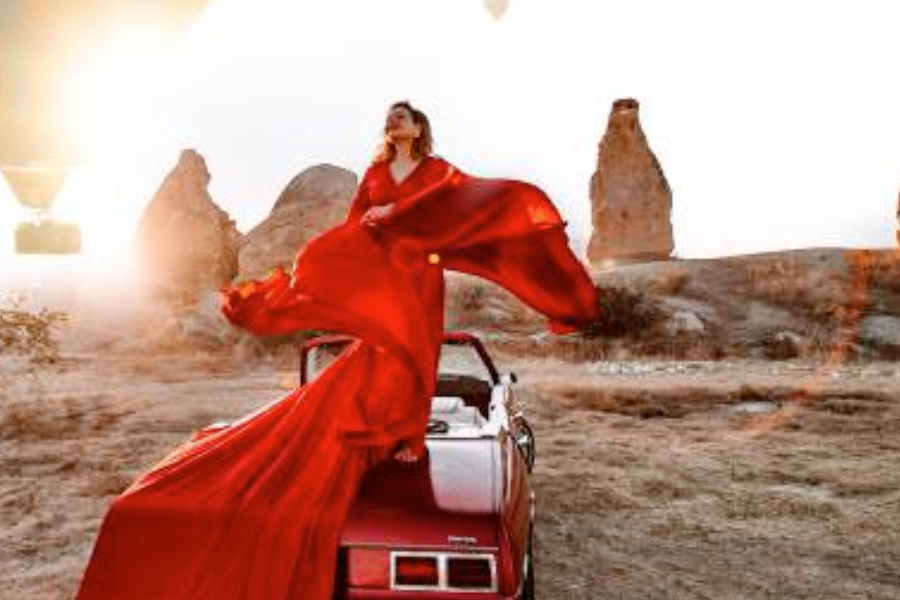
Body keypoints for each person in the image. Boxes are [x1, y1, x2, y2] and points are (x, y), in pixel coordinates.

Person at [74, 101, 598, 600]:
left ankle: (406, 436)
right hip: (386, 275)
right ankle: (384, 427)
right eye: (391, 115)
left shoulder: (437, 169)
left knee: (415, 350)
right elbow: (354, 225)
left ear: (418, 128)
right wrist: (329, 257)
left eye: (405, 115)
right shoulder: (372, 174)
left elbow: (451, 209)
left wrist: (400, 215)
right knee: (383, 350)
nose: (396, 119)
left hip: (418, 274)